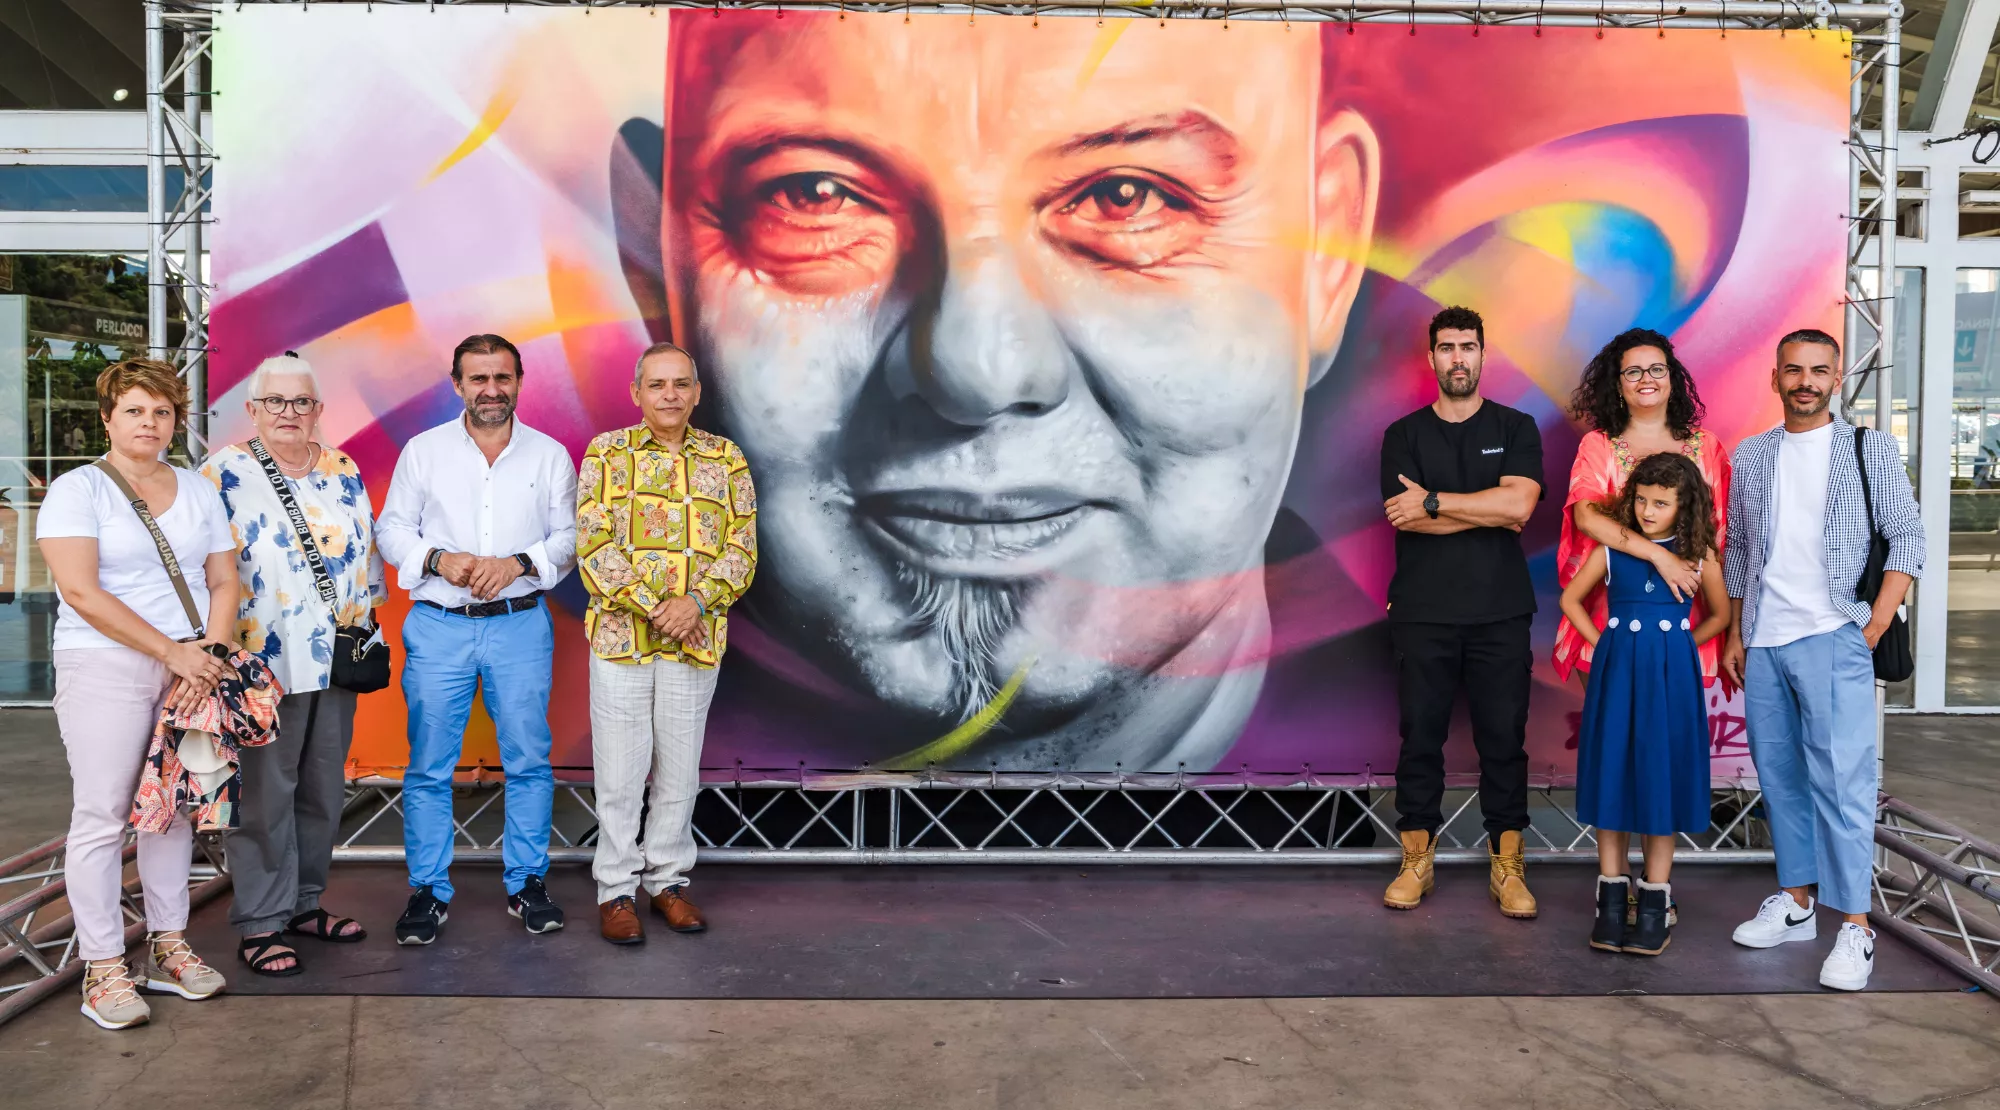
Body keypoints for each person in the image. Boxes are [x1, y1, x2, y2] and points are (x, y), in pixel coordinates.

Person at [649, 14, 1380, 770]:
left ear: (1326, 257)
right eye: (815, 195)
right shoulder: (630, 736)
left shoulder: (1448, 729)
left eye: (1126, 197)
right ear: (657, 264)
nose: (977, 371)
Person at [1721, 328, 1923, 992]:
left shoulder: (1868, 447)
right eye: (1793, 370)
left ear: (1837, 378)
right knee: (1779, 782)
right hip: (1767, 640)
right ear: (1775, 377)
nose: (1805, 380)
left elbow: (1907, 536)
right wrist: (1736, 633)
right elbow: (1742, 552)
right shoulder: (1751, 456)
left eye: (1818, 370)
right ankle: (1799, 904)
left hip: (1834, 635)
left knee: (1843, 785)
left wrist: (1872, 625)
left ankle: (1856, 928)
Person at [37, 357, 236, 1030]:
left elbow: (224, 580)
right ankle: (103, 968)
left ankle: (168, 945)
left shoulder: (197, 488)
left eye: (161, 412)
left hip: (186, 668)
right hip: (104, 665)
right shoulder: (78, 489)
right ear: (107, 418)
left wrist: (205, 654)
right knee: (103, 813)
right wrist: (173, 651)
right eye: (134, 411)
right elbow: (82, 592)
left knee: (171, 810)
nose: (149, 423)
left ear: (176, 419)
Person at [375, 334, 578, 944]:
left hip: (521, 624)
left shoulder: (549, 456)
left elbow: (570, 538)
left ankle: (527, 884)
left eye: (502, 378)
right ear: (457, 383)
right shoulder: (424, 451)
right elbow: (391, 530)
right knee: (430, 767)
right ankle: (428, 891)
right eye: (478, 379)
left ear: (519, 381)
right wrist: (437, 558)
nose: (491, 390)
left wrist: (517, 563)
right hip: (440, 627)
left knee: (529, 761)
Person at [200, 352, 386, 976]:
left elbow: (368, 557)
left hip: (334, 657)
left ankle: (305, 903)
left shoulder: (343, 468)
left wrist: (368, 625)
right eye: (274, 402)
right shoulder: (221, 474)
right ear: (251, 410)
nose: (288, 413)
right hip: (260, 662)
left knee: (322, 788)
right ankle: (259, 919)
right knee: (263, 796)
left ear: (317, 410)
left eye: (300, 402)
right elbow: (205, 569)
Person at [577, 343, 757, 944]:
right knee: (622, 774)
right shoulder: (606, 454)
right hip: (623, 640)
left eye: (681, 384)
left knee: (680, 771)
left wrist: (694, 605)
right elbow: (595, 547)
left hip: (696, 639)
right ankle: (617, 892)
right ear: (637, 393)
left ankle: (669, 884)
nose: (670, 395)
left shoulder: (725, 458)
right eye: (657, 385)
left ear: (698, 392)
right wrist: (660, 608)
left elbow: (741, 549)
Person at [1378, 306, 1545, 918]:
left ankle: (1508, 865)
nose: (1457, 358)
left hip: (1500, 612)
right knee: (1420, 737)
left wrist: (1435, 504)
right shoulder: (1403, 435)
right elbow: (1402, 514)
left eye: (1467, 347)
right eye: (1446, 347)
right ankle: (1416, 859)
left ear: (1482, 354)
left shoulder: (1518, 425)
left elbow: (1519, 507)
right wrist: (1479, 506)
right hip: (1423, 611)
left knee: (1504, 740)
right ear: (1431, 358)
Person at [1559, 453, 1731, 956]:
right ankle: (1611, 902)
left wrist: (1679, 645)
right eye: (1640, 500)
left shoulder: (1700, 553)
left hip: (1670, 680)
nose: (1648, 511)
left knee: (1662, 779)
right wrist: (1603, 642)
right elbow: (1572, 599)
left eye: (1661, 503)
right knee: (1614, 776)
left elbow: (1720, 615)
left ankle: (1654, 903)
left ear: (1685, 506)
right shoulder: (1611, 550)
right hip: (1617, 675)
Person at [1555, 328, 1732, 688]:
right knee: (1612, 734)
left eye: (1656, 369)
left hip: (1685, 617)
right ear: (1617, 385)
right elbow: (1585, 516)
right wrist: (1658, 555)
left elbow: (1722, 532)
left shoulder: (1707, 446)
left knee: (1670, 736)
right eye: (1633, 372)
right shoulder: (1599, 446)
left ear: (1672, 376)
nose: (1646, 379)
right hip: (1610, 616)